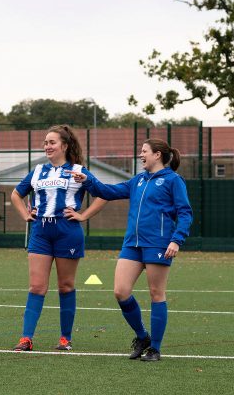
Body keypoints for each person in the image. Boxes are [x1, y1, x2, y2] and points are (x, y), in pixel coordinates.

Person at [71, 138, 193, 362]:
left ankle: (155, 349)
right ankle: (142, 337)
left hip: (158, 244)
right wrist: (88, 180)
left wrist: (176, 240)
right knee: (121, 291)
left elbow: (185, 213)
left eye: (144, 151)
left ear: (157, 155)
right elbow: (108, 191)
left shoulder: (173, 181)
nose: (140, 155)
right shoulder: (137, 180)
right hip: (132, 244)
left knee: (157, 293)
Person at [10, 125, 109, 351]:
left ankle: (65, 339)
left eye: (52, 142)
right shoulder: (37, 172)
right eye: (45, 142)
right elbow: (16, 194)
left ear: (64, 146)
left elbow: (102, 194)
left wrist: (83, 215)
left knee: (65, 286)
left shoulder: (78, 170)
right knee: (36, 286)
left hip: (68, 232)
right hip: (41, 232)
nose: (47, 146)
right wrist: (26, 214)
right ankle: (26, 338)